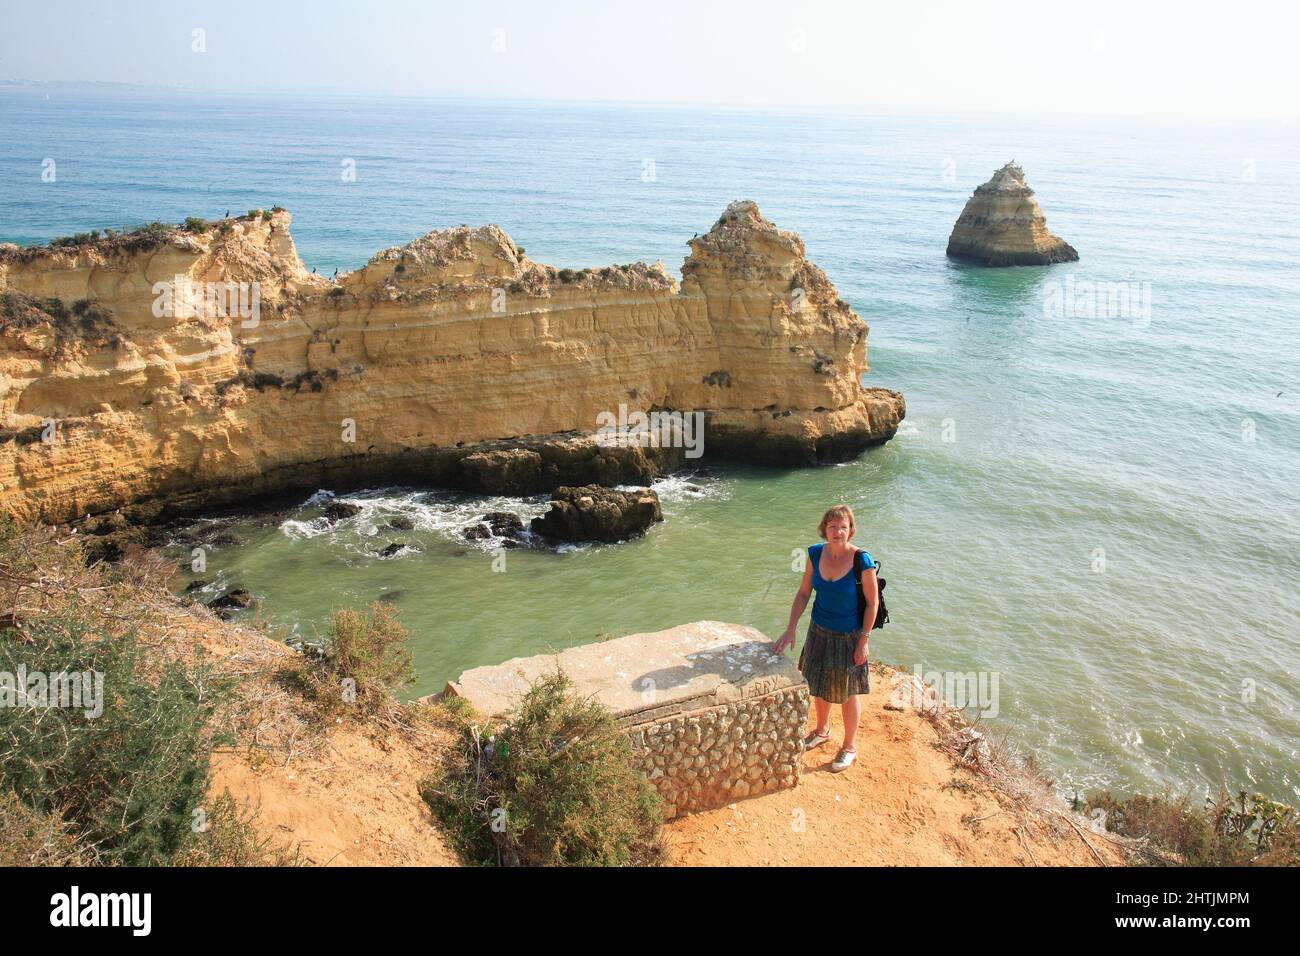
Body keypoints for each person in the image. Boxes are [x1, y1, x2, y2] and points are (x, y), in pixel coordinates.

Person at [772, 504, 878, 772]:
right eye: (833, 526)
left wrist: (863, 641)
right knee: (818, 683)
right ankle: (821, 730)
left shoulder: (861, 560)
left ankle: (849, 747)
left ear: (850, 530)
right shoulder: (815, 553)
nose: (838, 531)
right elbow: (804, 593)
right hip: (819, 630)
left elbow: (872, 602)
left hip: (848, 636)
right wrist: (791, 627)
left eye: (843, 527)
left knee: (848, 692)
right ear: (825, 529)